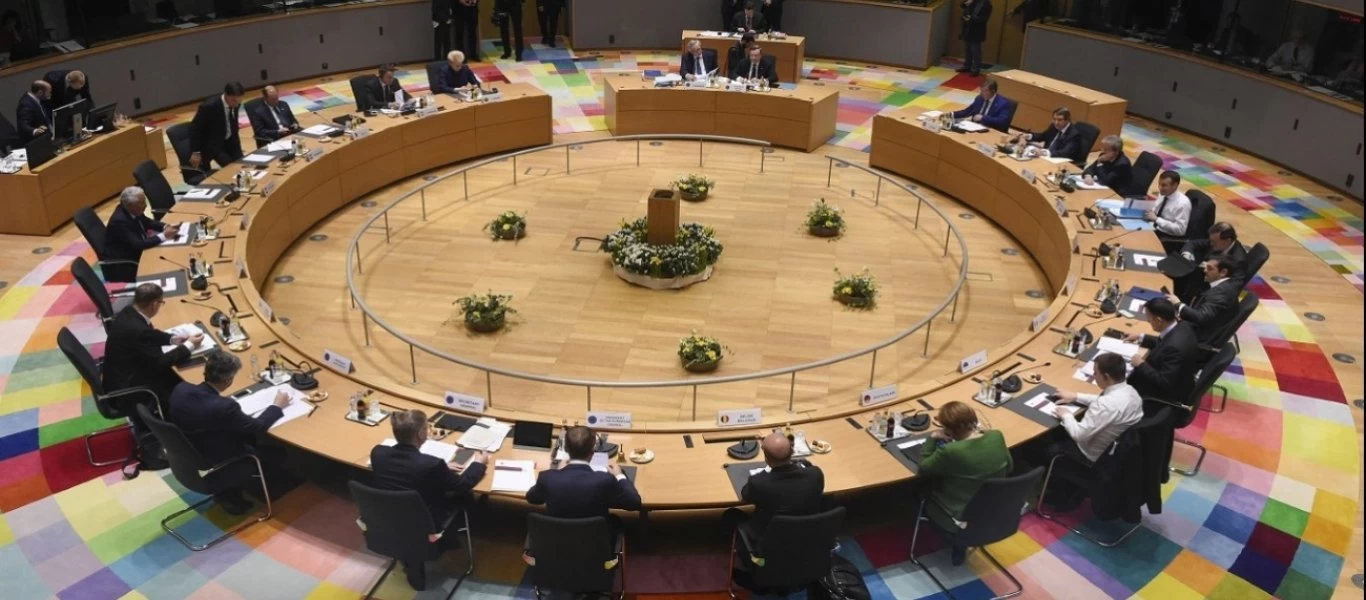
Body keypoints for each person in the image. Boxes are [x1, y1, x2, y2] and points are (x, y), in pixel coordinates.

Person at [370, 409, 488, 590]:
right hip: (427, 527)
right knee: (465, 496)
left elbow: (406, 470)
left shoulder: (378, 453)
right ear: (420, 434)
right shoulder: (431, 465)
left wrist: (442, 469)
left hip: (388, 520)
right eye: (427, 428)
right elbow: (463, 484)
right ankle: (457, 536)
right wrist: (479, 463)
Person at [168, 352, 288, 515]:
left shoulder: (180, 390)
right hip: (218, 456)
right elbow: (258, 427)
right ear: (228, 380)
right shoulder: (224, 407)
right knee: (279, 453)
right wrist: (277, 406)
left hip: (189, 453)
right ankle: (241, 488)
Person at [104, 283, 206, 469]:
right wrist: (189, 346)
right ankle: (186, 430)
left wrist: (172, 339)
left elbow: (148, 335)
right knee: (183, 385)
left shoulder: (129, 312)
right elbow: (160, 363)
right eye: (161, 302)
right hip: (129, 389)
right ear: (154, 304)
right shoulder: (137, 330)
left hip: (119, 375)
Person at [916, 401, 1011, 566]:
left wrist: (932, 438)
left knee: (918, 490)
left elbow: (924, 467)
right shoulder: (996, 436)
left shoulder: (951, 451)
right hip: (994, 510)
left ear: (949, 431)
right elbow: (1009, 467)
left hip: (955, 516)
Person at [526, 425, 642, 518]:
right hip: (595, 538)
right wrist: (620, 475)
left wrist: (558, 471)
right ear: (592, 452)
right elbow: (634, 502)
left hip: (556, 537)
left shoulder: (547, 478)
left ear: (566, 449)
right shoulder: (605, 480)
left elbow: (532, 498)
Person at [1050, 352, 1144, 465]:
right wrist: (1075, 396)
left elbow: (1078, 435)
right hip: (1115, 452)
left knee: (1046, 446)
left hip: (1090, 457)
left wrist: (1066, 415)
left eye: (1095, 373)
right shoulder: (1132, 393)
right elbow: (1106, 402)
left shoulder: (1105, 405)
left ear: (1106, 377)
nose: (1094, 376)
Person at [734, 432, 824, 540]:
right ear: (792, 452)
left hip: (770, 541)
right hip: (808, 535)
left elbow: (745, 495)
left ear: (766, 459)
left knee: (730, 514)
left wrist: (765, 472)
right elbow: (808, 467)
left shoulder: (758, 483)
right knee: (828, 500)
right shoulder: (815, 474)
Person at [1123, 298, 1200, 406]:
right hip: (1182, 376)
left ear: (1159, 320)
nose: (1148, 322)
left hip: (1165, 393)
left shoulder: (1173, 348)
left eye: (1149, 320)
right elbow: (1164, 341)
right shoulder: (1183, 325)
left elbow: (1164, 382)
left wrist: (1141, 364)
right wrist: (1140, 337)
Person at [102, 186, 176, 283]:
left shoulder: (131, 209)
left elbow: (147, 221)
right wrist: (164, 236)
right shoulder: (119, 222)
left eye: (144, 201)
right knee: (169, 264)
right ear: (130, 205)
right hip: (128, 263)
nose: (145, 205)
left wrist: (165, 226)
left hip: (137, 249)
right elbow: (138, 244)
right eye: (141, 203)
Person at [1165, 256, 1242, 346]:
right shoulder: (1225, 286)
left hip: (1196, 336)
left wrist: (1178, 304)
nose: (1205, 270)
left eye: (1209, 268)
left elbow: (1201, 317)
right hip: (1200, 326)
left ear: (1223, 272)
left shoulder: (1221, 292)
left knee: (1160, 315)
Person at [1175, 222, 1246, 302]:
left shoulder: (1238, 259)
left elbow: (1234, 285)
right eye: (1211, 241)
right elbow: (1192, 243)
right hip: (1198, 276)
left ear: (1227, 241)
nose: (1211, 244)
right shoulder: (1218, 241)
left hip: (1208, 290)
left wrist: (1213, 271)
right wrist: (1187, 254)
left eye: (1214, 242)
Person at [188, 82, 245, 171]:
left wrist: (238, 149)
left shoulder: (236, 103)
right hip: (214, 144)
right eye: (234, 101)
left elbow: (233, 127)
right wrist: (196, 152)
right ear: (226, 95)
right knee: (231, 168)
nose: (237, 105)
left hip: (230, 140)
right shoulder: (209, 106)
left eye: (239, 101)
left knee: (243, 164)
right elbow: (195, 128)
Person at [1014, 107, 1084, 165]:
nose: (1056, 123)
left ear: (1067, 120)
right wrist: (1028, 136)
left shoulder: (1074, 134)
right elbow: (1043, 136)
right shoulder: (1054, 126)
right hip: (1044, 158)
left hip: (1060, 163)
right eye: (1054, 119)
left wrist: (1044, 153)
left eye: (1059, 120)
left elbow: (1065, 152)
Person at [1145, 170, 1190, 237]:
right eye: (1159, 184)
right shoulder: (1163, 193)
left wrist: (1157, 219)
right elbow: (1156, 210)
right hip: (1153, 226)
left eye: (1164, 185)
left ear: (1174, 185)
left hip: (1165, 235)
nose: (1160, 188)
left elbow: (1180, 230)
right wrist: (1149, 212)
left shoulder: (1182, 204)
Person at [959, 0, 992, 76]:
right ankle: (967, 66)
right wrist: (967, 2)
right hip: (967, 28)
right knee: (967, 49)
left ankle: (975, 69)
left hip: (977, 30)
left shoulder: (986, 4)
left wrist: (971, 19)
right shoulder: (972, 1)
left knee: (975, 50)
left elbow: (984, 19)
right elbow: (962, 5)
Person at [15, 80, 51, 144]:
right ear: (40, 92)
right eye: (48, 92)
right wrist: (35, 131)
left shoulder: (37, 99)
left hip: (46, 136)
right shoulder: (26, 104)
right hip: (34, 142)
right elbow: (23, 125)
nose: (50, 95)